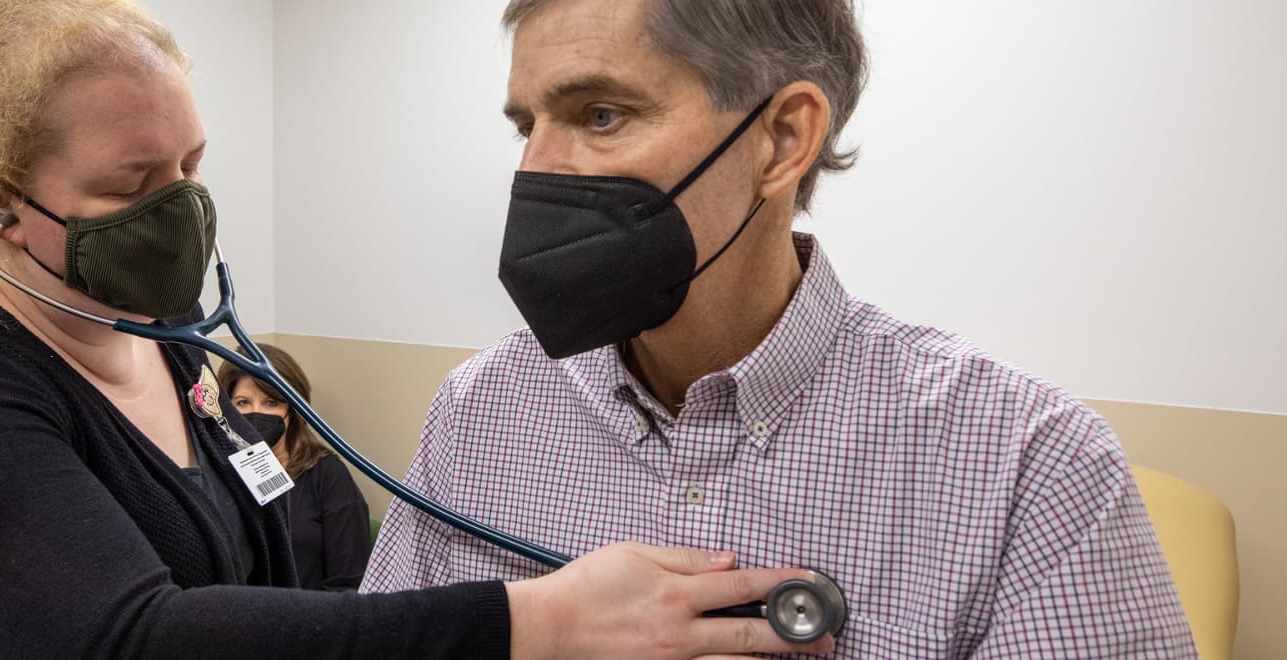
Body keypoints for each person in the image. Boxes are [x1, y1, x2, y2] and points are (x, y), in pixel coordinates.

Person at [0, 0, 836, 658]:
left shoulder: (202, 356)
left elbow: (339, 564)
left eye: (191, 165)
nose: (183, 205)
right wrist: (540, 623)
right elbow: (122, 643)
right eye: (132, 182)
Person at [364, 0, 1197, 657]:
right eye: (525, 126)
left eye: (601, 115)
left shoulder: (1030, 466)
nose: (534, 170)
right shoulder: (479, 414)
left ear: (782, 137)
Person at [217, 343, 372, 591]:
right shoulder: (214, 473)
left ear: (294, 410)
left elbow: (350, 582)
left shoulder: (326, 475)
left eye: (271, 403)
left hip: (313, 620)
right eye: (243, 402)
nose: (256, 414)